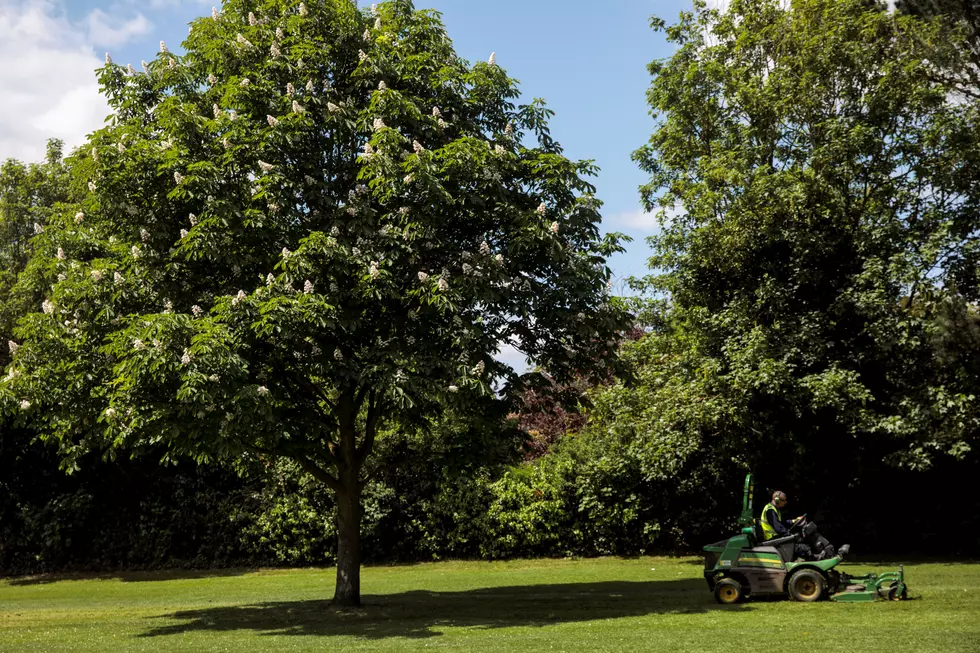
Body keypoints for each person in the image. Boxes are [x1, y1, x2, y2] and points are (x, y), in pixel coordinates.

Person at [760, 490, 836, 560]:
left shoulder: (775, 509)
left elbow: (782, 523)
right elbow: (777, 527)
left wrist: (794, 521)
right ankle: (814, 557)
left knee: (798, 539)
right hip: (772, 539)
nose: (785, 502)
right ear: (777, 500)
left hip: (776, 537)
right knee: (797, 545)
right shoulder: (770, 510)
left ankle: (813, 556)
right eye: (784, 501)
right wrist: (788, 534)